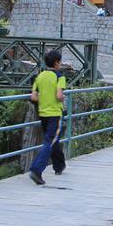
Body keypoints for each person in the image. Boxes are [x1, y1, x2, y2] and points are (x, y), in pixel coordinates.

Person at [28, 50, 67, 185]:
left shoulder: (40, 76)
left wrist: (44, 98)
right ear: (56, 63)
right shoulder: (59, 77)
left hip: (42, 114)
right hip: (55, 114)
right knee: (50, 141)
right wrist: (62, 98)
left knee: (53, 140)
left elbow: (33, 97)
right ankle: (36, 170)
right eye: (60, 62)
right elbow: (59, 96)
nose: (61, 64)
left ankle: (59, 165)